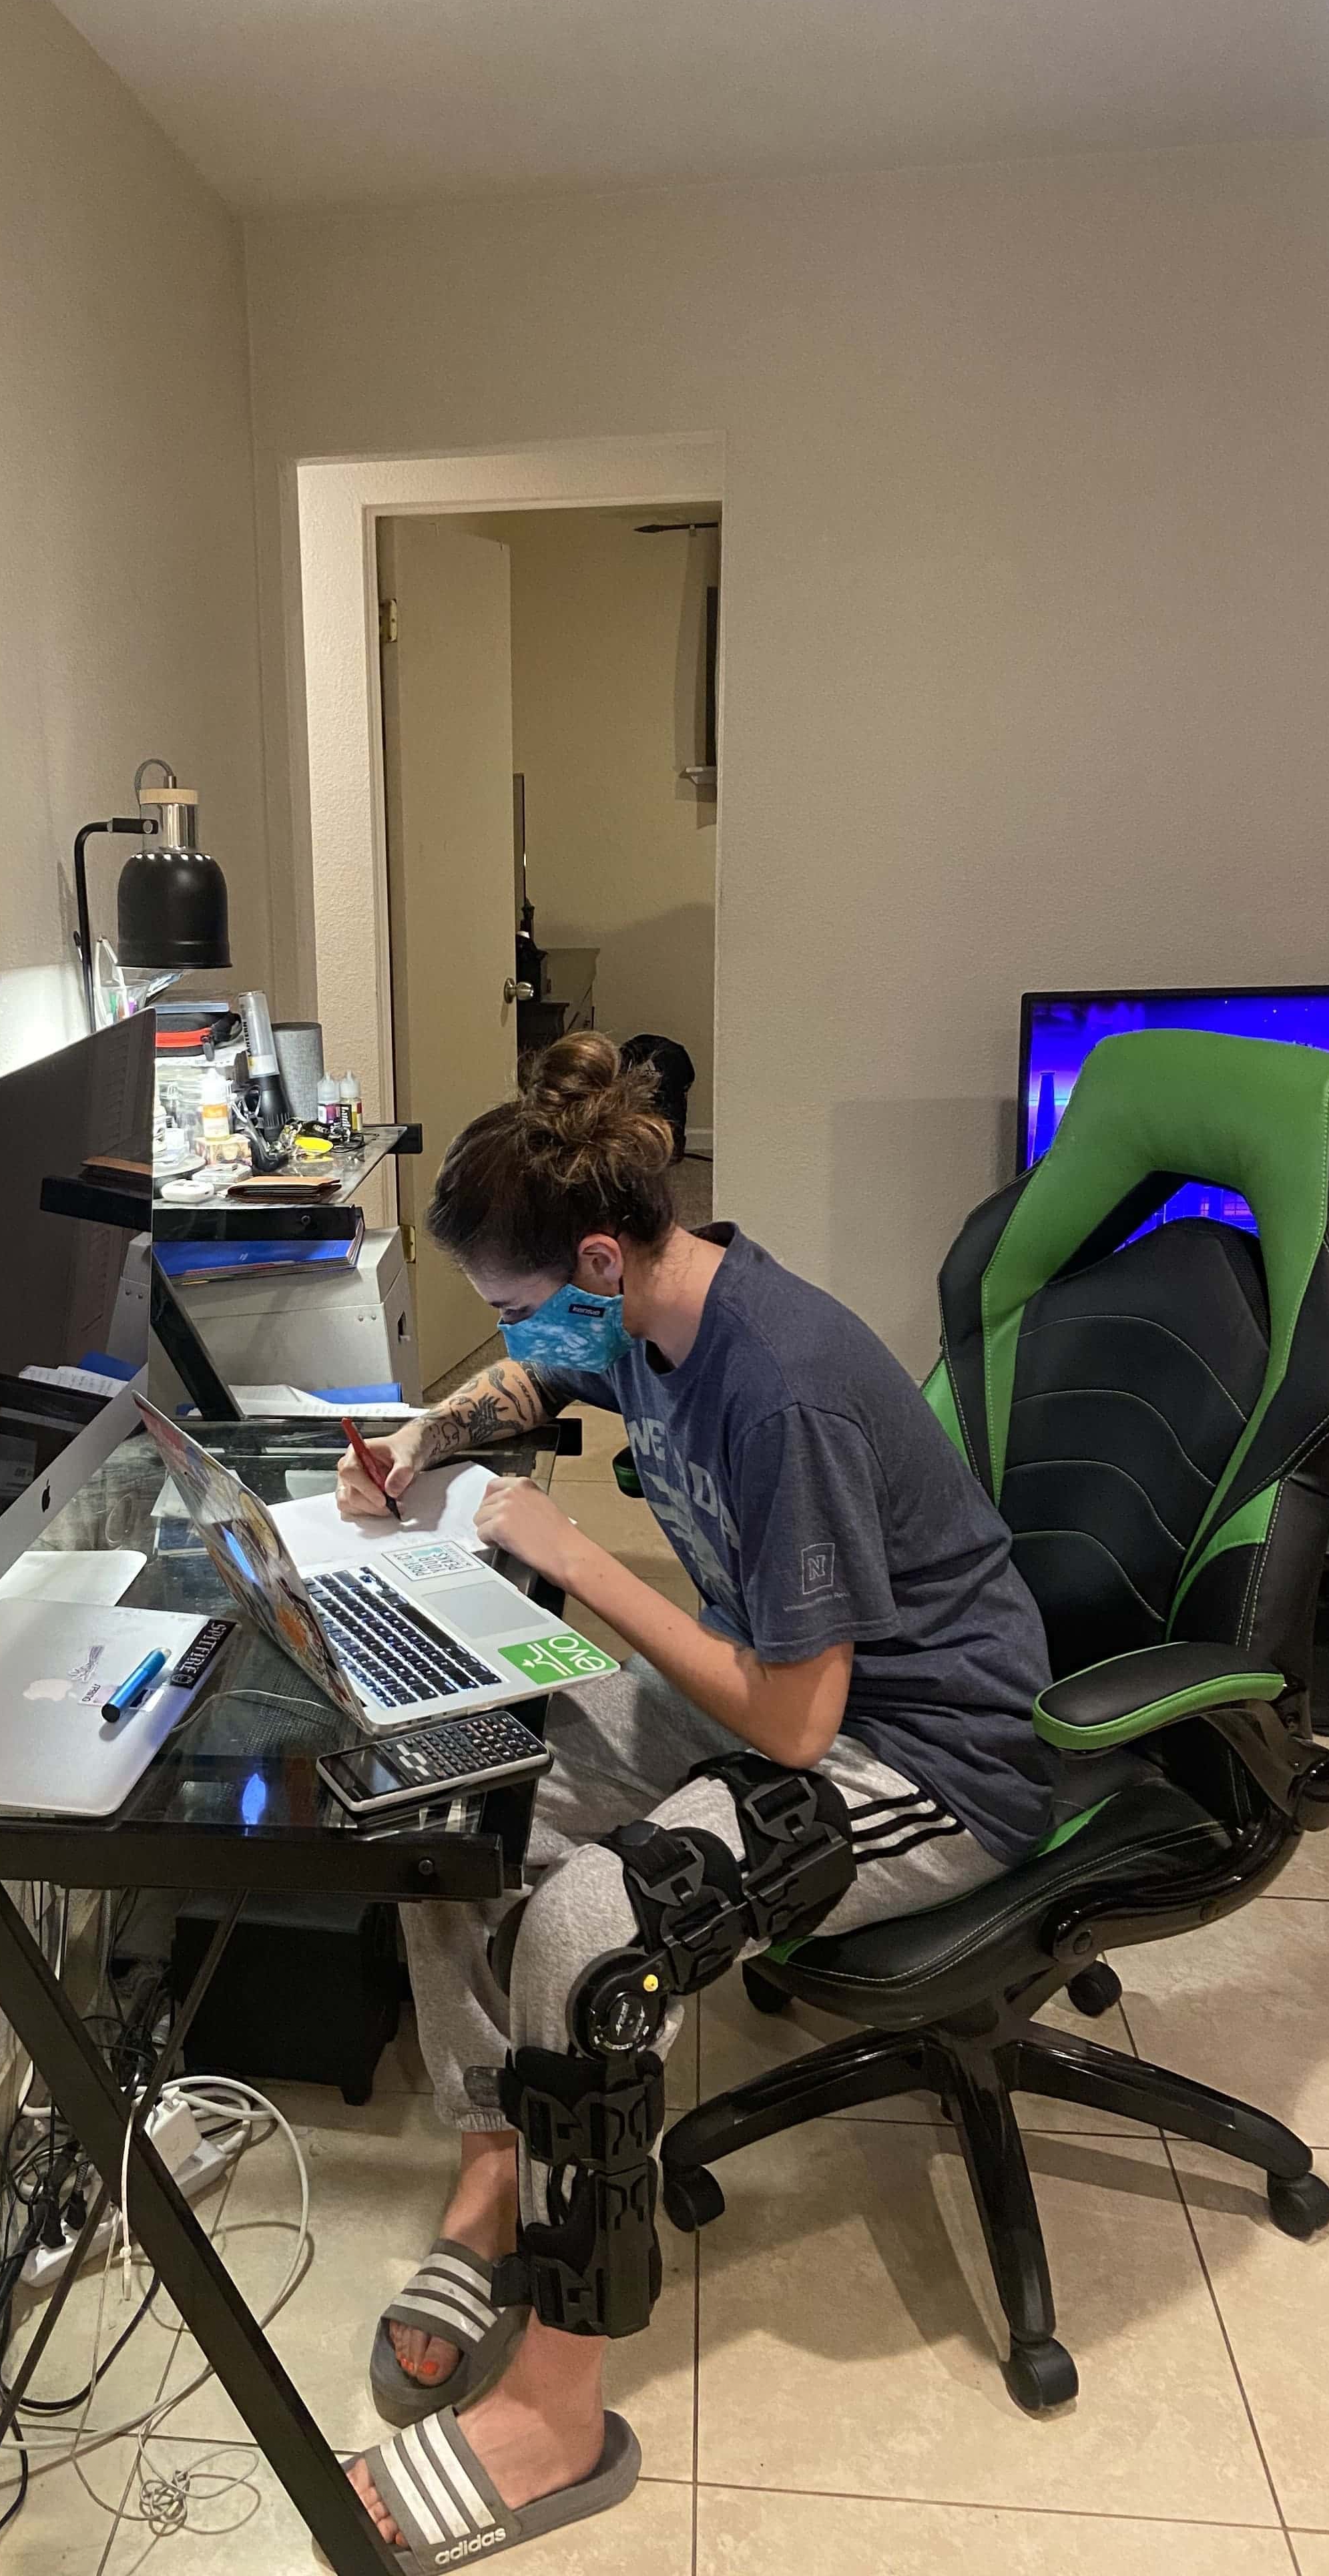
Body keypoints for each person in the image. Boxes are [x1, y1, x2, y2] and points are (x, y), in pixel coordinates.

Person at [332, 1033, 1057, 2566]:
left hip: (924, 1758)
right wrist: (429, 1434)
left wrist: (582, 1563)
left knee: (599, 1936)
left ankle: (558, 2413)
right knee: (449, 1789)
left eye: (520, 1299)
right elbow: (553, 1371)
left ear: (599, 1255)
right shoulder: (664, 1302)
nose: (518, 1333)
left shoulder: (780, 1387)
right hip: (789, 1700)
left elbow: (797, 1726)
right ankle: (491, 2171)